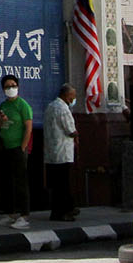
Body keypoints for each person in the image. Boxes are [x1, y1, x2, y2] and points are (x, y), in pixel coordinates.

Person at [0, 74, 34, 230]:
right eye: (7, 86)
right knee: (7, 181)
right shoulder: (3, 105)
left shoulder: (22, 105)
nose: (10, 88)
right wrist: (0, 119)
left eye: (13, 85)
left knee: (21, 182)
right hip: (6, 147)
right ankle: (10, 213)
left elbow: (28, 127)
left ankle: (24, 215)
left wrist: (23, 147)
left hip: (18, 148)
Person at [44, 84, 79, 222]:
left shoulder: (50, 107)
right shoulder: (63, 109)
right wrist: (77, 135)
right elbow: (70, 130)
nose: (74, 99)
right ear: (66, 95)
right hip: (63, 152)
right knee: (64, 184)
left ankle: (56, 212)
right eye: (73, 96)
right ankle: (65, 212)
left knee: (56, 185)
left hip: (51, 153)